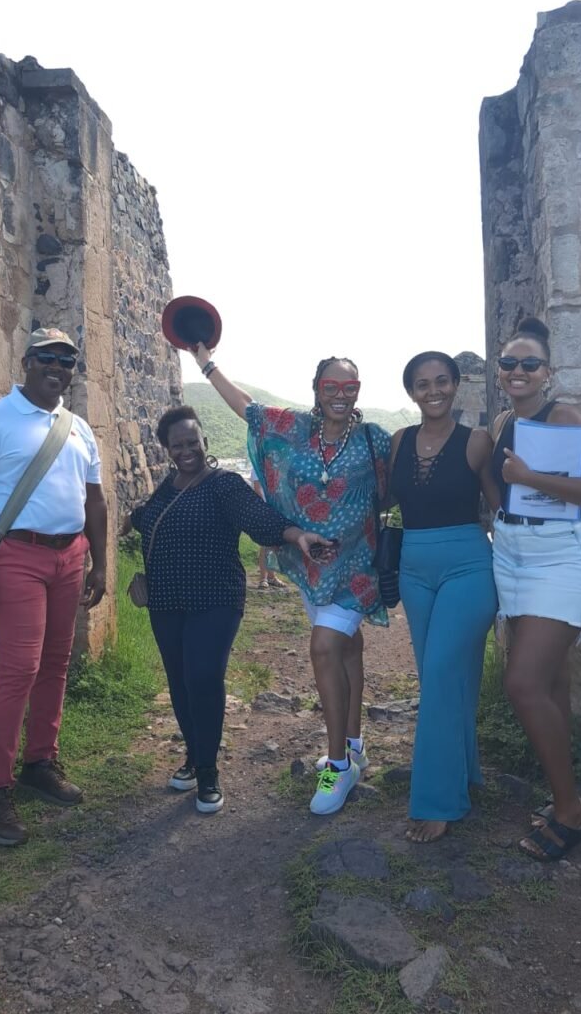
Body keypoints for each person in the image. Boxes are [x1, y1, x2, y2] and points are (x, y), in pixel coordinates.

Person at [193, 343, 391, 816]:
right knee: (347, 649)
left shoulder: (375, 439)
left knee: (324, 648)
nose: (340, 394)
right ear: (317, 389)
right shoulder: (295, 429)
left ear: (358, 390)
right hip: (311, 567)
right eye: (331, 386)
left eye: (349, 386)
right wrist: (206, 364)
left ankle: (338, 766)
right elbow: (247, 409)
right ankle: (356, 743)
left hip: (356, 570)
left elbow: (397, 488)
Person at [122, 406, 327, 814]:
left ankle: (208, 771)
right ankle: (194, 756)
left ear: (205, 441)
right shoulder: (167, 488)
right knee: (179, 682)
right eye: (177, 445)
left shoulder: (223, 485)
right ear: (167, 449)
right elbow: (150, 518)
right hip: (166, 602)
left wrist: (296, 534)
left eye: (192, 442)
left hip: (215, 600)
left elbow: (258, 518)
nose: (186, 450)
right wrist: (131, 519)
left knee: (202, 677)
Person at [0, 327, 107, 847]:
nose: (57, 367)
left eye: (67, 360)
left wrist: (100, 563)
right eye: (47, 358)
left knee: (57, 663)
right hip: (16, 555)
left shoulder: (79, 429)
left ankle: (40, 762)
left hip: (69, 555)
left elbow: (95, 500)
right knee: (19, 669)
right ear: (26, 362)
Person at [491, 317, 581, 861]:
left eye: (530, 364)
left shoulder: (562, 416)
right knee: (552, 680)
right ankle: (560, 789)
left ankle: (573, 812)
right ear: (499, 372)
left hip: (562, 555)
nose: (518, 371)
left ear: (548, 372)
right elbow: (496, 485)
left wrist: (529, 479)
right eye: (509, 363)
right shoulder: (503, 421)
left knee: (522, 684)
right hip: (513, 553)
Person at [390, 352, 499, 843]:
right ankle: (464, 773)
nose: (432, 390)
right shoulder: (399, 441)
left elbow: (499, 508)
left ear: (455, 384)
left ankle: (437, 801)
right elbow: (380, 499)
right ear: (411, 392)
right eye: (422, 383)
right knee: (449, 678)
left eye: (441, 381)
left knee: (438, 677)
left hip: (469, 568)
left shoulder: (477, 441)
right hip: (414, 571)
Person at [250, 469, 287, 590]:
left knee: (274, 543)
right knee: (265, 544)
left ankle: (272, 576)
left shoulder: (275, 465)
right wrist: (266, 508)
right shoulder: (257, 468)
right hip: (265, 510)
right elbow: (258, 489)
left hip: (277, 508)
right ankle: (263, 578)